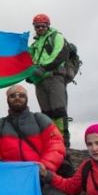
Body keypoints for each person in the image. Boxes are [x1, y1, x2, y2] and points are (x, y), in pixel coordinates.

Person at [0, 84, 76, 195]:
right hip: (13, 178)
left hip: (40, 174)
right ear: (7, 99)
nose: (17, 98)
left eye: (21, 95)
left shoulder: (40, 119)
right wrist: (0, 169)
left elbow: (55, 144)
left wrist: (45, 166)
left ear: (27, 98)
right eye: (13, 95)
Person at [28, 13, 70, 147]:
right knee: (46, 112)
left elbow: (59, 54)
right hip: (39, 81)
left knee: (58, 110)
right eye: (37, 26)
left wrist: (43, 68)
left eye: (42, 26)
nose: (40, 29)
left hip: (54, 77)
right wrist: (30, 75)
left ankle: (63, 141)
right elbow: (28, 60)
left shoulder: (56, 37)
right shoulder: (35, 44)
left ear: (48, 26)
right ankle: (50, 139)